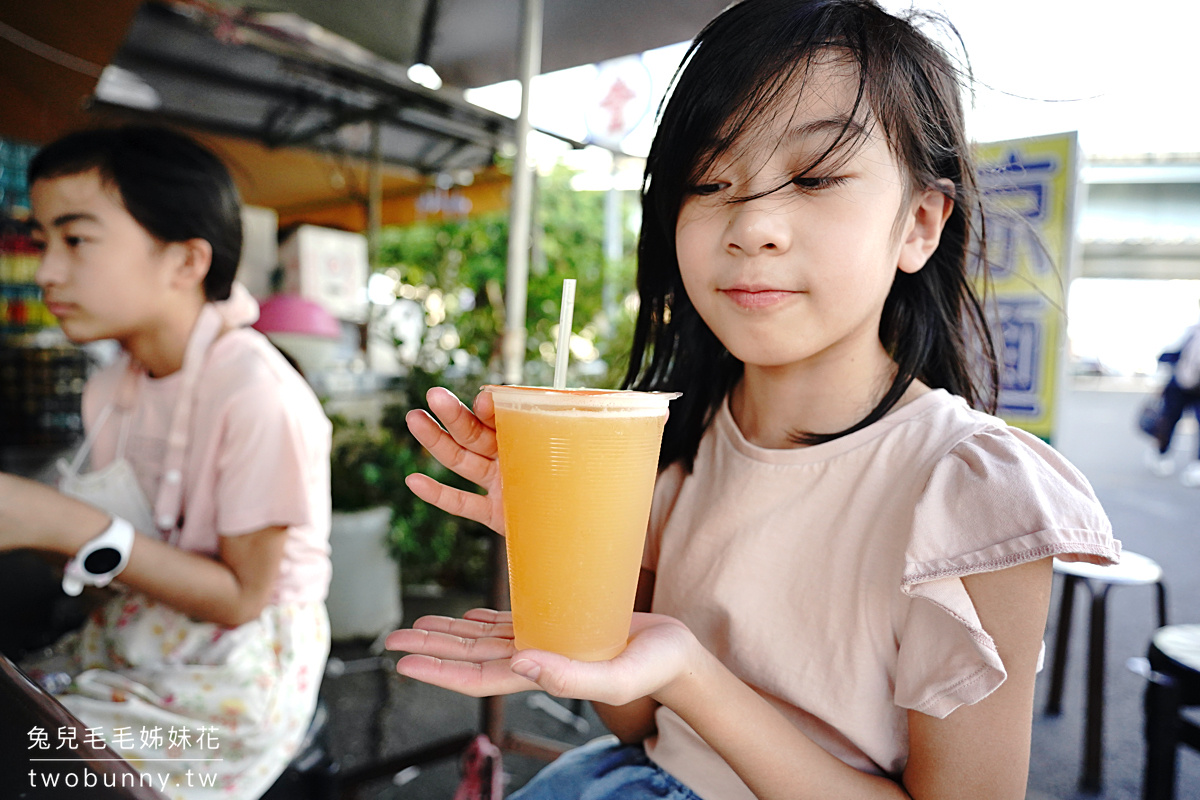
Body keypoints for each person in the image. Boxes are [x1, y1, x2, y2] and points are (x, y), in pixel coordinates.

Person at [387, 1, 1120, 798]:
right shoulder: (668, 445)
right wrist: (569, 540)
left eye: (815, 176)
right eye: (710, 179)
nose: (754, 226)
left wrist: (694, 674)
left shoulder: (975, 495)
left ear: (918, 223)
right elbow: (635, 724)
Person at [0, 126, 332, 799]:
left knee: (36, 768)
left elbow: (242, 600)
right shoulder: (110, 385)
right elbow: (112, 568)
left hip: (237, 676)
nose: (46, 272)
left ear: (185, 261)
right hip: (135, 630)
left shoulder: (258, 396)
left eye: (76, 239)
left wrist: (65, 525)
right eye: (42, 241)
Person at [1146, 313, 1200, 485]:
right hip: (1178, 386)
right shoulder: (1190, 332)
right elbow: (1168, 355)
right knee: (1169, 420)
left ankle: (1197, 465)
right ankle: (1161, 453)